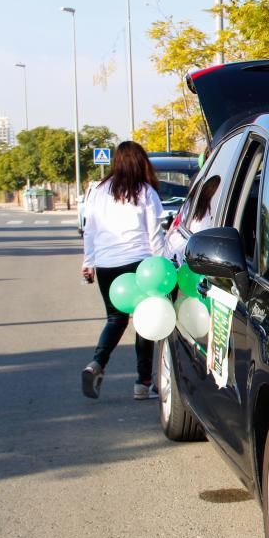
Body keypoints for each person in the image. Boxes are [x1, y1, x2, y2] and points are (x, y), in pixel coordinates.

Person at [80, 141, 165, 400]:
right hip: (139, 263)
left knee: (115, 319)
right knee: (145, 322)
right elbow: (155, 235)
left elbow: (89, 231)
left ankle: (96, 363)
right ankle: (143, 383)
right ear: (141, 163)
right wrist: (162, 264)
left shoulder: (98, 192)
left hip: (106, 265)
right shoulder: (145, 192)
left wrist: (88, 262)